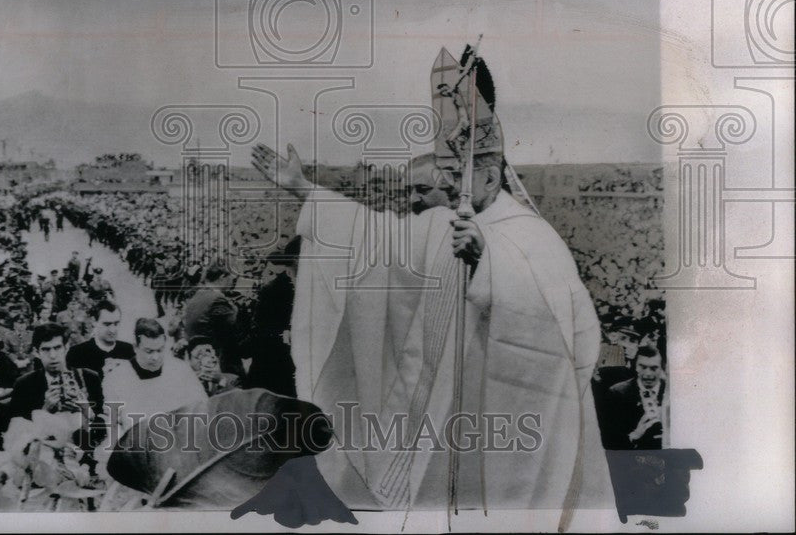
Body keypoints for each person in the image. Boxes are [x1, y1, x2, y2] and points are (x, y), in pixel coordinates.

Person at [250, 52, 613, 515]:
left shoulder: (531, 235)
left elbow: (572, 332)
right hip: (447, 417)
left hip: (514, 425)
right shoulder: (446, 223)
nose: (449, 187)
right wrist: (304, 189)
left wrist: (487, 259)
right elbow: (376, 237)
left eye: (458, 176)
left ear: (487, 174)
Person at [102, 318, 206, 431]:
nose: (155, 357)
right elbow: (113, 425)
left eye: (160, 350)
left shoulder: (181, 369)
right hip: (139, 445)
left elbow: (202, 406)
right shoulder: (115, 379)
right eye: (149, 351)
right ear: (135, 347)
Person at [9, 323, 104, 421]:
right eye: (46, 349)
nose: (53, 355)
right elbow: (17, 429)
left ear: (66, 348)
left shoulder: (90, 378)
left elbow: (105, 425)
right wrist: (45, 410)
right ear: (36, 352)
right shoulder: (23, 385)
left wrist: (86, 410)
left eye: (57, 348)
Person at [241, 237, 299, 397]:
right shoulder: (278, 290)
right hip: (280, 367)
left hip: (275, 366)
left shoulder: (271, 290)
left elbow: (258, 333)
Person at [182, 262, 244, 377]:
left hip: (196, 354)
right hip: (214, 359)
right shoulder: (217, 299)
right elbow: (235, 325)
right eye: (232, 278)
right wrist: (239, 307)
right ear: (222, 278)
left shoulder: (199, 293)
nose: (233, 282)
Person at [601, 344, 667, 450]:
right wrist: (635, 435)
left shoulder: (671, 392)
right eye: (643, 367)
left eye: (654, 368)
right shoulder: (617, 393)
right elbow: (609, 441)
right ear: (635, 366)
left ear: (662, 368)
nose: (648, 373)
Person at [65, 300, 135, 381]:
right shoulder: (77, 353)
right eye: (107, 324)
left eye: (116, 324)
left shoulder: (128, 350)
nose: (112, 330)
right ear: (94, 322)